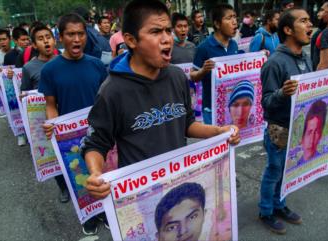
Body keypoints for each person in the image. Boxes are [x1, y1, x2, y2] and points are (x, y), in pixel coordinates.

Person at [80, 0, 240, 204]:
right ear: (131, 40)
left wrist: (219, 132)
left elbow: (187, 124)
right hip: (141, 195)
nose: (167, 39)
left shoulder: (177, 77)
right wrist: (95, 173)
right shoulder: (112, 91)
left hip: (181, 183)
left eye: (168, 30)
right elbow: (96, 142)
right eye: (156, 32)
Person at [38, 13, 108, 235]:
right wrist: (52, 122)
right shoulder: (50, 70)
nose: (77, 39)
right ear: (61, 37)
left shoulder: (97, 65)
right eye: (71, 34)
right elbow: (51, 104)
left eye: (81, 34)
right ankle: (87, 215)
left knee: (102, 173)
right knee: (78, 177)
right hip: (71, 138)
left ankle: (105, 211)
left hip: (100, 133)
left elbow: (106, 99)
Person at [259, 8, 313, 234]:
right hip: (278, 129)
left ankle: (279, 205)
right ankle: (266, 211)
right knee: (274, 170)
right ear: (288, 30)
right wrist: (283, 93)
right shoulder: (275, 63)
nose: (310, 25)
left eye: (310, 20)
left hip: (298, 126)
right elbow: (266, 102)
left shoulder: (306, 58)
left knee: (287, 169)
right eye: (304, 21)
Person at [190, 4, 240, 125]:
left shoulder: (234, 45)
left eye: (235, 17)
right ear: (217, 24)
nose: (234, 22)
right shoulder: (204, 47)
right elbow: (192, 75)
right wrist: (203, 71)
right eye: (229, 18)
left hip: (231, 108)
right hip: (211, 109)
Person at [20, 25, 57, 91]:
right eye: (40, 39)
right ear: (34, 45)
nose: (45, 41)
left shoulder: (66, 62)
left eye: (48, 37)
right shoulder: (28, 68)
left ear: (54, 41)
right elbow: (25, 92)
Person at [298, 100, 327, 165]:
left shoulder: (321, 161)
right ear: (302, 138)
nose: (312, 140)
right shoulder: (298, 164)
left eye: (316, 132)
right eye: (309, 132)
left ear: (320, 136)